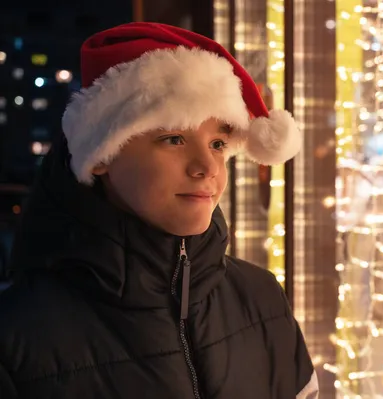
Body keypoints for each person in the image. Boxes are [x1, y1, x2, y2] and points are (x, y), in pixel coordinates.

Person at [0, 22, 317, 399]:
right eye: (174, 138)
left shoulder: (261, 296)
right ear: (103, 153)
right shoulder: (17, 334)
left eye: (218, 142)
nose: (207, 166)